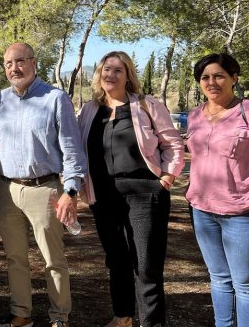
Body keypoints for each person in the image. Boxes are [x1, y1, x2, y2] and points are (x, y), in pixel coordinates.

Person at [77, 51, 184, 327]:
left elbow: (172, 144)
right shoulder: (89, 110)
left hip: (144, 194)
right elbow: (78, 149)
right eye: (106, 69)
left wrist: (167, 178)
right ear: (99, 74)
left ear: (127, 76)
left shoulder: (146, 105)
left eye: (117, 70)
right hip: (103, 196)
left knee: (146, 265)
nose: (110, 75)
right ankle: (123, 316)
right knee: (116, 260)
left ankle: (151, 322)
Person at [186, 53, 249, 327]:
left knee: (245, 285)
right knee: (218, 279)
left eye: (219, 75)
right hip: (203, 212)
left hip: (247, 214)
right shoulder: (195, 116)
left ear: (234, 78)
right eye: (205, 77)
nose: (212, 82)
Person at [0, 43, 87, 327]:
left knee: (52, 259)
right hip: (8, 191)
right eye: (8, 63)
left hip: (46, 190)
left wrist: (70, 191)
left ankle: (59, 317)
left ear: (33, 62)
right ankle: (21, 315)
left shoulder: (55, 98)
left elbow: (72, 150)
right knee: (15, 258)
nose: (14, 68)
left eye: (20, 61)